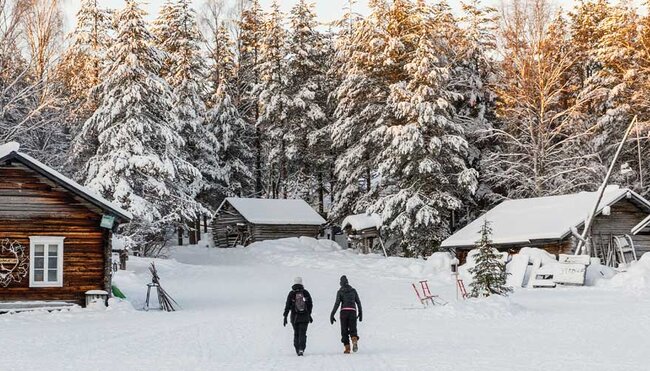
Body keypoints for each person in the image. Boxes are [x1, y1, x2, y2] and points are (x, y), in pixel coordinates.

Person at [329, 275, 363, 354]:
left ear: (341, 283)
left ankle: (347, 348)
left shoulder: (340, 291)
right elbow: (358, 302)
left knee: (344, 330)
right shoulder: (353, 290)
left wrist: (332, 314)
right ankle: (354, 340)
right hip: (352, 311)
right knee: (353, 329)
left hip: (344, 312)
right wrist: (361, 313)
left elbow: (337, 304)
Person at [283, 277, 313, 356]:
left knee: (296, 333)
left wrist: (285, 316)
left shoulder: (291, 293)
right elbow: (310, 304)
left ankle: (297, 349)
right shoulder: (305, 293)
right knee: (303, 333)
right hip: (305, 317)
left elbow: (287, 306)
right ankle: (301, 349)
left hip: (294, 317)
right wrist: (309, 314)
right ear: (301, 283)